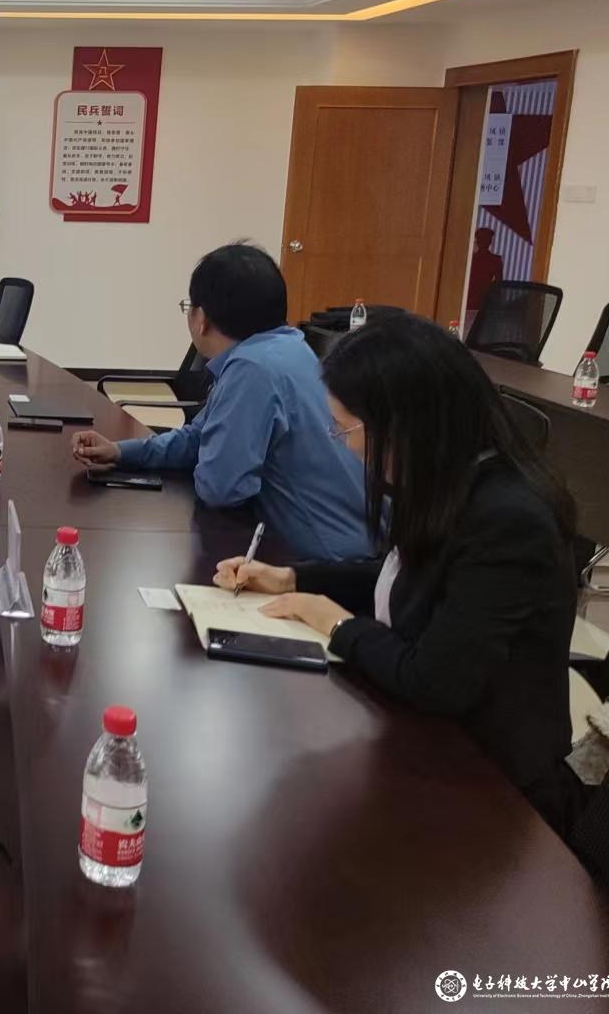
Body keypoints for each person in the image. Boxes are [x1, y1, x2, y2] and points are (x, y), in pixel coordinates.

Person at [212, 313, 588, 837]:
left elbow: (434, 682)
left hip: (490, 792)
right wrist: (293, 579)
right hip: (424, 742)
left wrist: (335, 622)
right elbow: (405, 578)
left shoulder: (508, 519)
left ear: (407, 424)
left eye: (347, 428)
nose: (345, 445)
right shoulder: (447, 482)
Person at [72, 243, 372, 562]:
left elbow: (221, 488)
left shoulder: (252, 369)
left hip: (325, 563)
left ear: (201, 319)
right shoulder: (288, 348)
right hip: (349, 544)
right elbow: (198, 437)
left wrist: (210, 456)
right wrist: (121, 452)